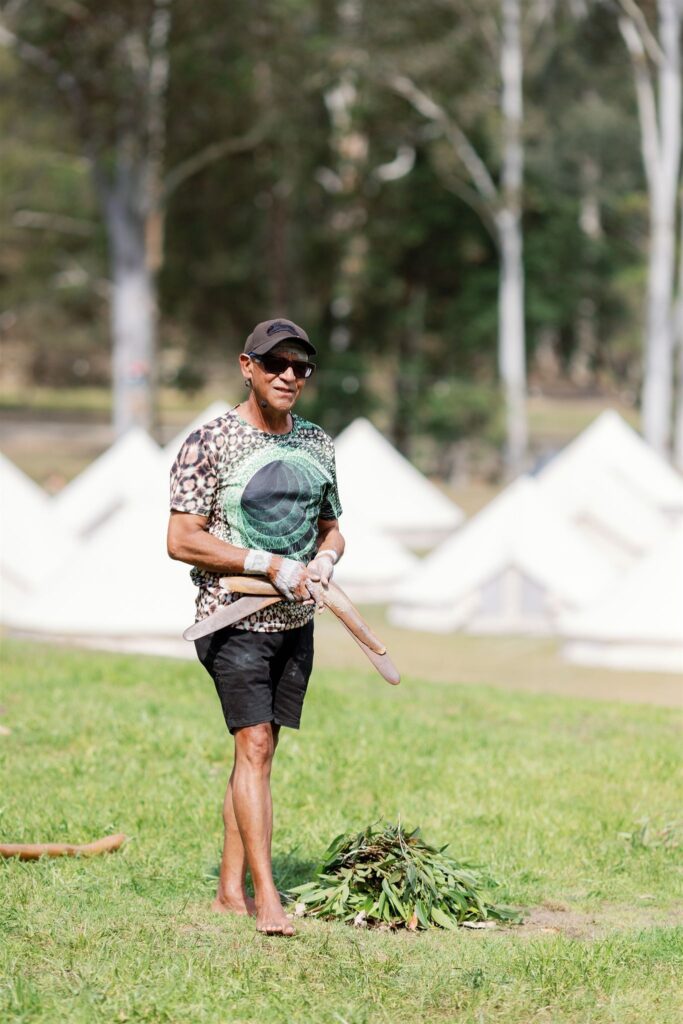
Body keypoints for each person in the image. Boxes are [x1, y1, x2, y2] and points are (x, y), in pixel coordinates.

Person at [167, 318, 344, 936]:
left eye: (301, 368)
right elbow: (181, 539)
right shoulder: (209, 442)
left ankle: (227, 893)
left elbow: (331, 527)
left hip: (298, 621)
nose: (290, 376)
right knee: (256, 746)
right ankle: (266, 898)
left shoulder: (318, 444)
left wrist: (324, 559)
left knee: (258, 758)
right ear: (248, 367)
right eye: (277, 365)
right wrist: (265, 562)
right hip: (231, 616)